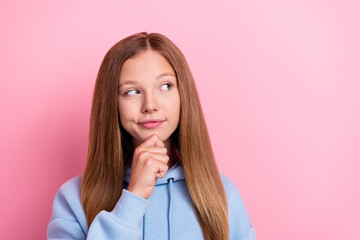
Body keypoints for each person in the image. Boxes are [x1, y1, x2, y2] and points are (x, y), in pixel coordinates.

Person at [47, 32, 256, 240]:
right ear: (112, 103)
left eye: (165, 86)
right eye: (132, 91)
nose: (150, 105)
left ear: (183, 95)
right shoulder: (73, 198)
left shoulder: (223, 194)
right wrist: (133, 197)